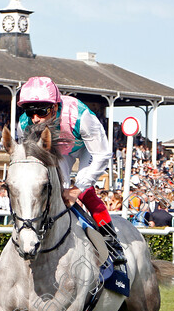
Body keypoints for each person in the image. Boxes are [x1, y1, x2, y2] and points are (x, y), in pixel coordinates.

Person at [15, 76, 125, 264]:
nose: (35, 118)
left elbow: (102, 155)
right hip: (59, 150)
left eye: (41, 112)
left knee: (84, 193)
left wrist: (78, 188)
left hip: (85, 147)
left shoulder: (81, 117)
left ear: (55, 107)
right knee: (59, 190)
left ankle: (112, 242)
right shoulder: (23, 125)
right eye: (29, 111)